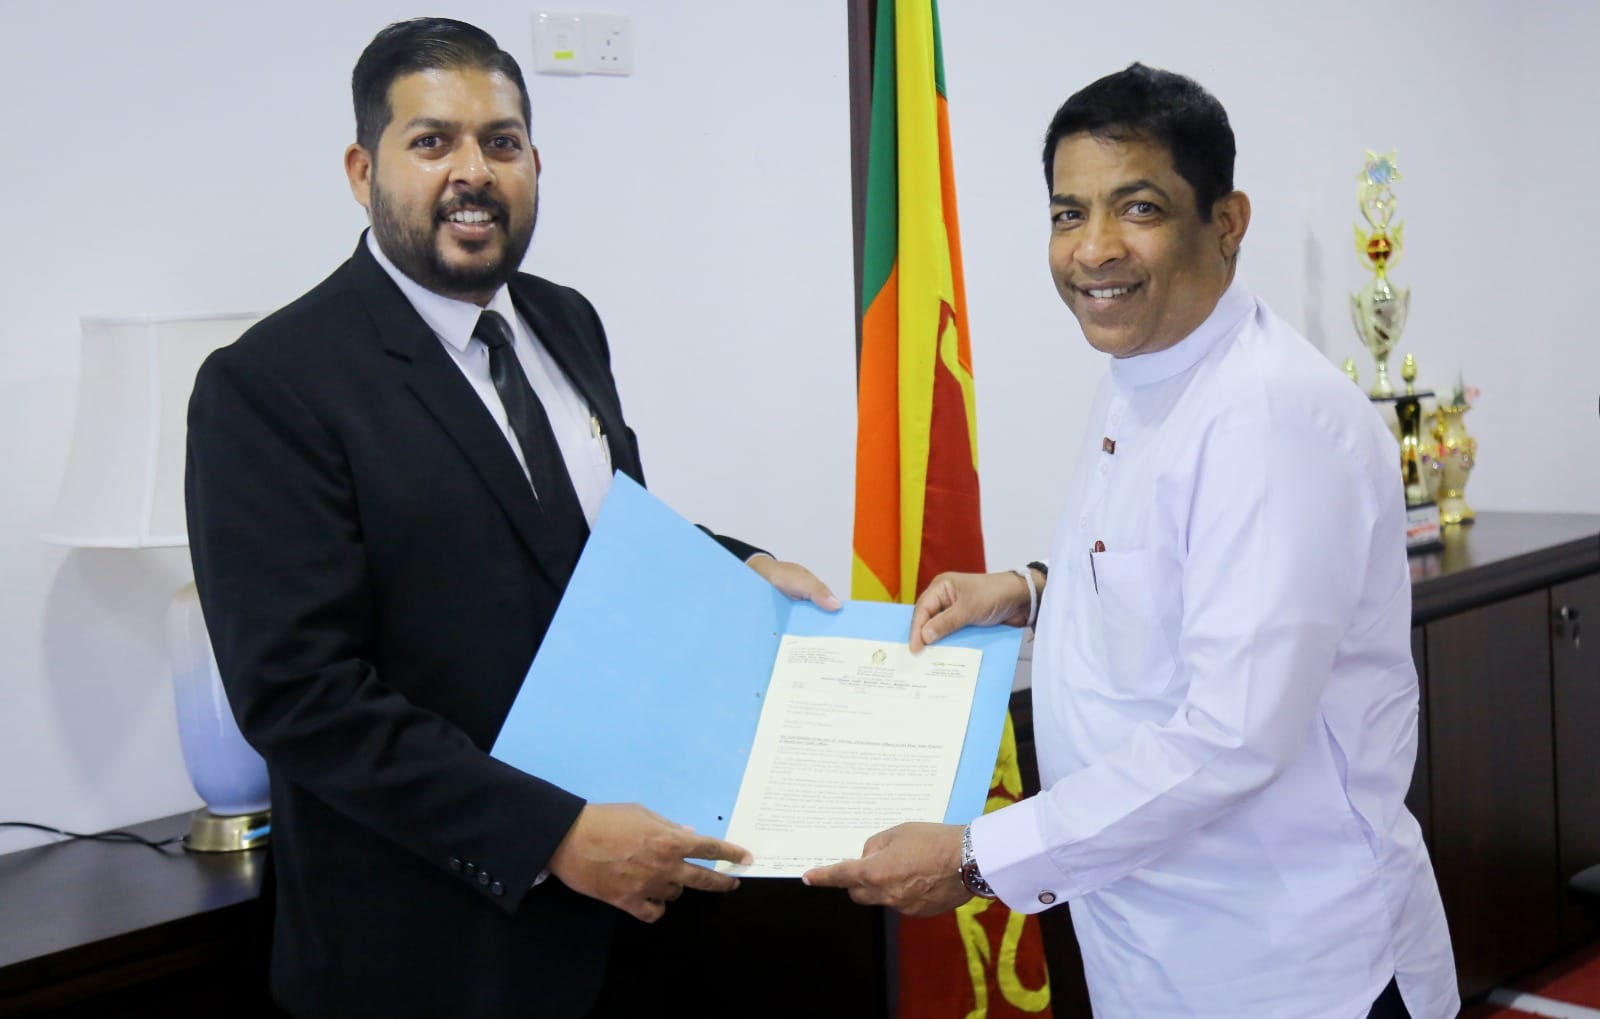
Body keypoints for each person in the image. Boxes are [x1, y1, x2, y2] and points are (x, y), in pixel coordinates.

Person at [185, 18, 838, 1018]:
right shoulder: (270, 384)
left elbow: (592, 537)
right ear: (363, 168)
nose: (472, 171)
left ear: (535, 161)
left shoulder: (564, 318)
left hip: (630, 912)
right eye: (431, 140)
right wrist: (551, 834)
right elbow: (299, 695)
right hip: (429, 951)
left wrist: (732, 562)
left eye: (500, 141)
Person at [804, 64, 1459, 1018]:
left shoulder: (1269, 416)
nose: (1094, 249)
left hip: (1292, 965)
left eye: (1137, 207)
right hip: (1157, 947)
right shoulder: (1149, 362)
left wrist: (979, 857)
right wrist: (1031, 588)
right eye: (1069, 214)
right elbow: (1161, 566)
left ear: (1226, 222)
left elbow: (1232, 734)